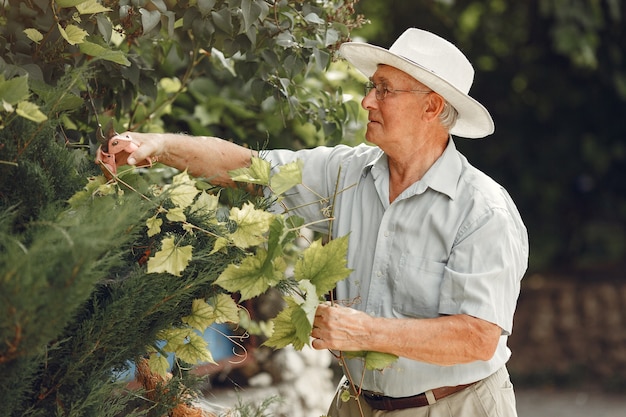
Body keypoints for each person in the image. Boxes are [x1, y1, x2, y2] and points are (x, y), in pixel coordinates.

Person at [100, 28, 528, 417]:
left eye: (384, 90)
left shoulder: (483, 210)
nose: (367, 100)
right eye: (369, 87)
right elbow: (249, 167)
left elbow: (477, 337)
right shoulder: (347, 174)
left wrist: (367, 331)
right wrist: (155, 145)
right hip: (357, 404)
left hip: (456, 406)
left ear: (431, 106)